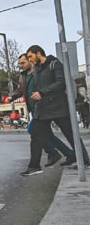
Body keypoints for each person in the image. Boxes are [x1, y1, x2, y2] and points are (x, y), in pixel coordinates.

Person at [24, 45, 89, 176]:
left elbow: (61, 83)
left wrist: (42, 92)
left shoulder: (55, 64)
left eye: (31, 56)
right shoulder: (37, 69)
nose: (29, 59)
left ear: (38, 53)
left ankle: (85, 160)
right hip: (43, 109)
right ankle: (34, 166)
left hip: (59, 107)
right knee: (36, 135)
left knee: (71, 135)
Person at [11, 53, 73, 167]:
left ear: (30, 61)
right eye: (19, 63)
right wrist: (12, 96)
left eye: (23, 62)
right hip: (34, 108)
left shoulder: (39, 72)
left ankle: (54, 153)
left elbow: (49, 85)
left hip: (43, 106)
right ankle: (69, 154)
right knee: (46, 135)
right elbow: (20, 90)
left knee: (33, 130)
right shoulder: (23, 75)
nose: (21, 65)